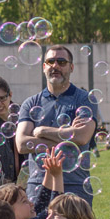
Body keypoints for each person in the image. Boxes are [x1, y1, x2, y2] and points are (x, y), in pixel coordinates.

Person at [15, 46, 99, 205]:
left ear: (71, 67)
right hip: (38, 185)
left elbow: (82, 136)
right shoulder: (31, 103)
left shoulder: (85, 100)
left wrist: (41, 131)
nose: (55, 66)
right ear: (44, 67)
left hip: (75, 186)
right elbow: (22, 144)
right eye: (50, 61)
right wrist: (68, 139)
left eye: (61, 62)